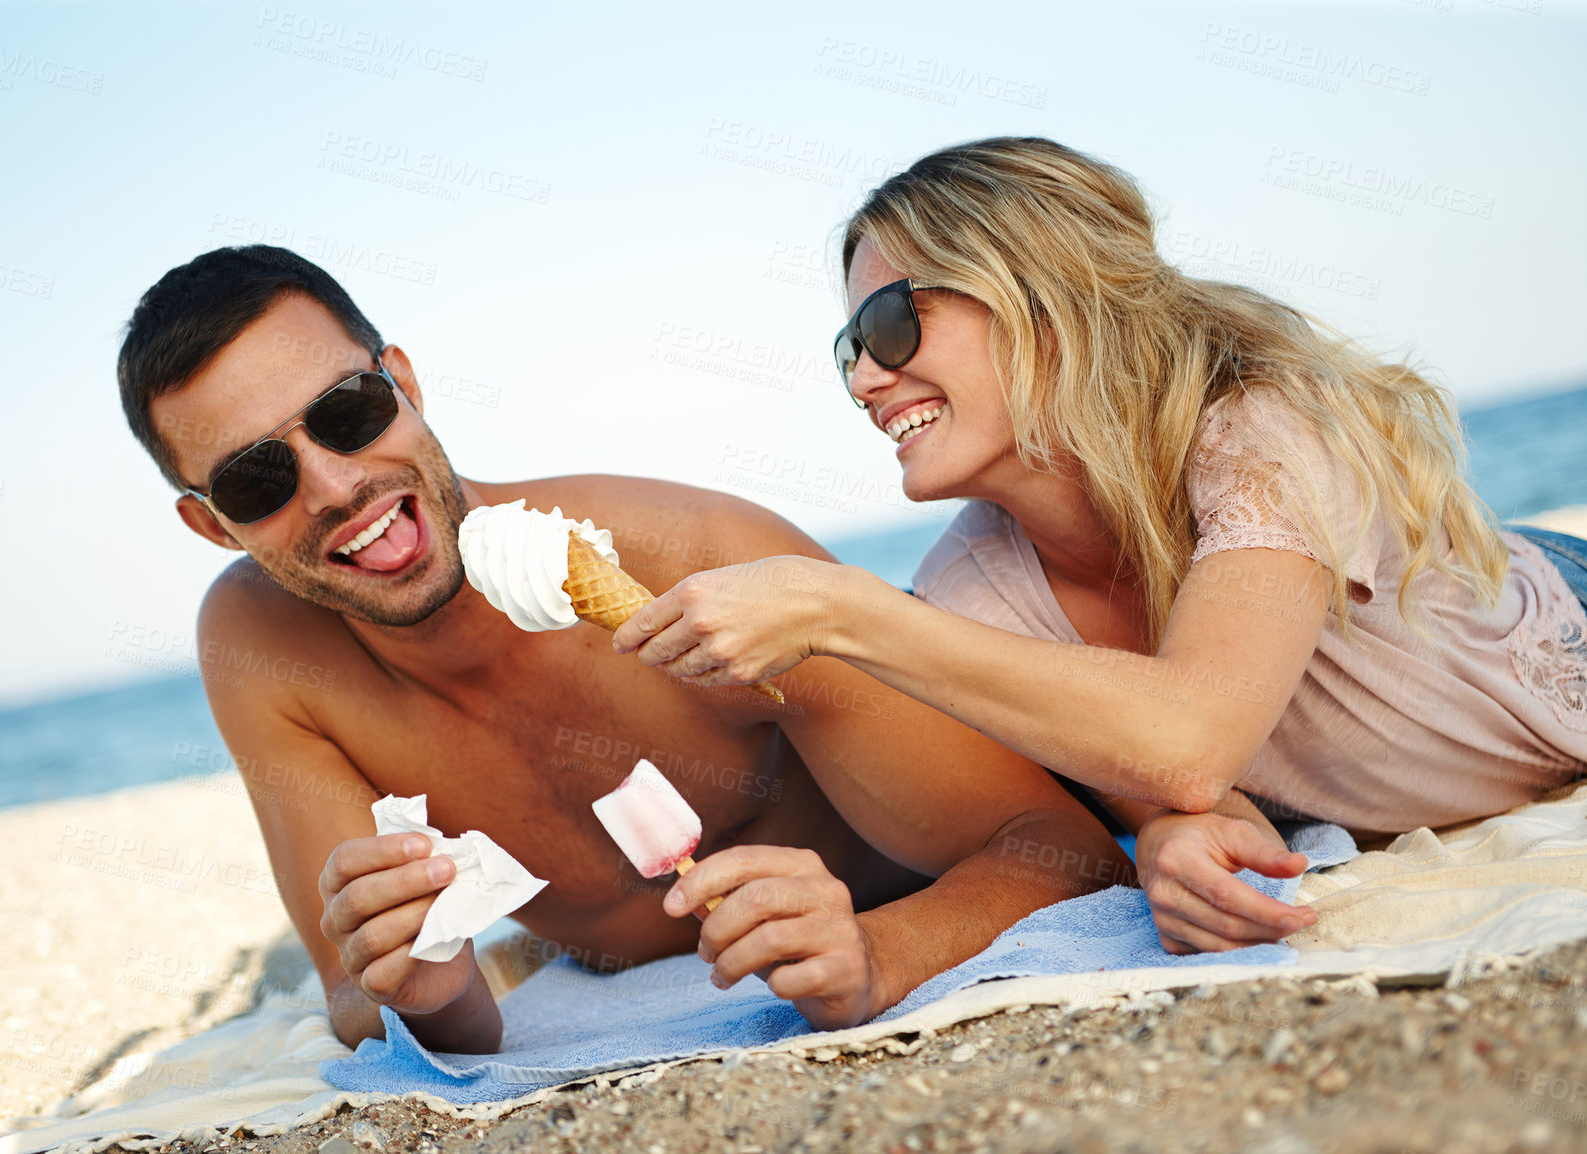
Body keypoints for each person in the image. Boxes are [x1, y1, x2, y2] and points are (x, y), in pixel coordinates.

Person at [114, 244, 1130, 1054]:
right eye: (257, 480)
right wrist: (431, 990)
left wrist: (877, 950)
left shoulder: (698, 562)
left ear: (406, 385)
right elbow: (372, 995)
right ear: (213, 526)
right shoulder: (258, 642)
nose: (334, 486)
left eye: (348, 412)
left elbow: (1065, 850)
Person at [613, 136, 1587, 957]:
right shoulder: (966, 586)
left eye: (890, 322)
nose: (866, 377)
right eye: (849, 351)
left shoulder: (1256, 426)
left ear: (1042, 295)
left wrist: (843, 606)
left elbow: (1189, 736)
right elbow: (1183, 780)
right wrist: (1174, 835)